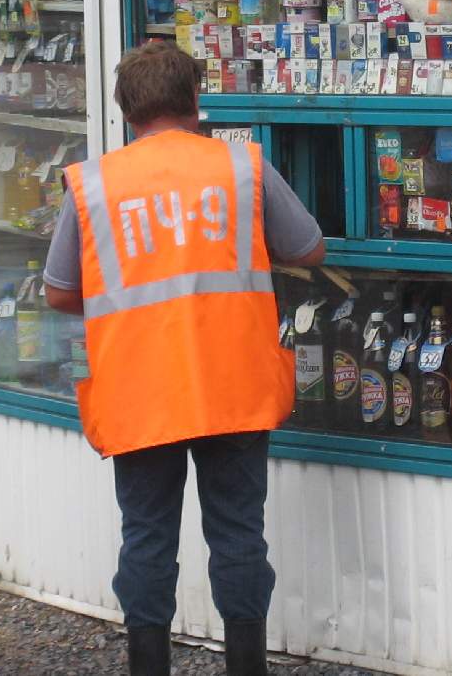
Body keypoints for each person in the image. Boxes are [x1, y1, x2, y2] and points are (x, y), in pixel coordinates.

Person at [44, 41, 325, 676]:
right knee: (238, 536)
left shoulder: (91, 184)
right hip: (235, 386)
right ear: (197, 102)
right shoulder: (243, 169)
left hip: (138, 392)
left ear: (126, 110)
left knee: (145, 538)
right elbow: (308, 249)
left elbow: (62, 290)